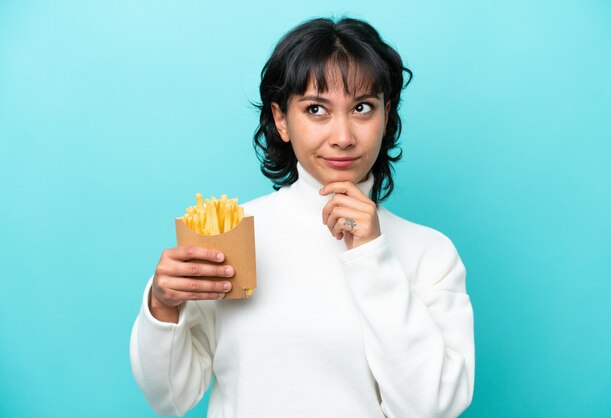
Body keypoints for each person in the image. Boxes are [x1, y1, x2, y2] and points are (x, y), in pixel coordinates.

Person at [130, 17, 474, 418]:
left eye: (363, 107)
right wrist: (162, 307)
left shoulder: (429, 253)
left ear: (386, 114)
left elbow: (431, 408)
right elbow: (170, 398)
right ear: (281, 119)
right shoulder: (230, 234)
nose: (343, 136)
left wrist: (372, 256)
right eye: (316, 109)